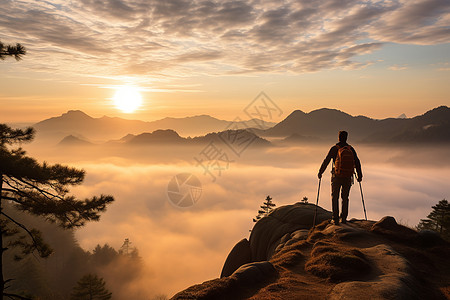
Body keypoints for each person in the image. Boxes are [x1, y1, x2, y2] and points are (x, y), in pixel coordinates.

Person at [318, 131, 362, 225]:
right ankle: (344, 218)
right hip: (347, 177)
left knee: (335, 197)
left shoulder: (334, 148)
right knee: (345, 197)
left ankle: (335, 219)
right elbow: (357, 162)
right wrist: (359, 176)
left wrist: (320, 172)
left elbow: (326, 160)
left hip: (336, 176)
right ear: (346, 138)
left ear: (338, 138)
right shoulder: (351, 149)